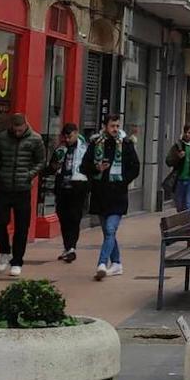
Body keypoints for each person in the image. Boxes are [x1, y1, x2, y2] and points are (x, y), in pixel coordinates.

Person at [82, 115, 140, 280]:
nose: (115, 129)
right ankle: (117, 263)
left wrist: (123, 180)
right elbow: (84, 166)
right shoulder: (95, 143)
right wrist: (97, 168)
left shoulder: (126, 144)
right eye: (112, 126)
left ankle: (102, 263)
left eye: (117, 126)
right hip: (100, 195)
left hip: (118, 195)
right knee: (108, 233)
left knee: (110, 230)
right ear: (104, 126)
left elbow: (135, 167)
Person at [0, 113, 46, 277]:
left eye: (20, 130)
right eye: (15, 130)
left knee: (22, 227)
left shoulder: (36, 139)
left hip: (23, 189)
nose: (18, 133)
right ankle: (4, 251)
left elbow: (41, 161)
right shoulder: (1, 138)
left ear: (25, 126)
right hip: (4, 188)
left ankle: (17, 261)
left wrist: (29, 174)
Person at [47, 123, 88, 263]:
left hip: (78, 184)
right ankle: (67, 247)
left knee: (74, 217)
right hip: (62, 186)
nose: (68, 139)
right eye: (65, 137)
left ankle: (71, 248)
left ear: (76, 133)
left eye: (70, 136)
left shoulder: (85, 147)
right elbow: (51, 166)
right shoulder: (61, 148)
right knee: (63, 216)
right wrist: (54, 166)